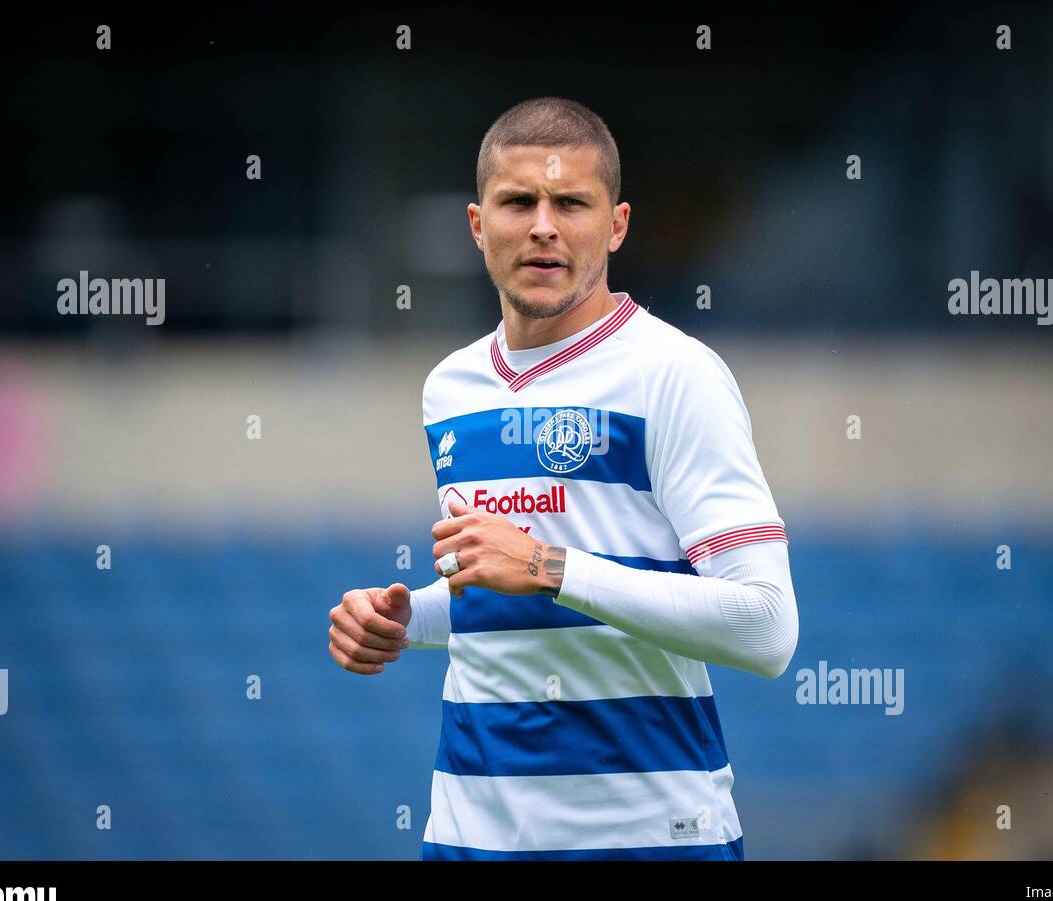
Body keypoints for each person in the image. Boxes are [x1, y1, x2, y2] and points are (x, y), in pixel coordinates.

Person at [328, 96, 799, 860]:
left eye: (570, 202)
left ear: (615, 226)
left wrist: (550, 567)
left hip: (647, 839)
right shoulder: (450, 388)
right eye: (519, 202)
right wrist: (403, 620)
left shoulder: (676, 375)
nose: (543, 224)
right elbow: (499, 598)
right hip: (467, 836)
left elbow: (767, 627)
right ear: (480, 227)